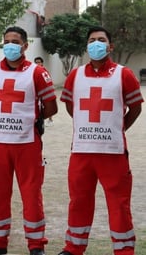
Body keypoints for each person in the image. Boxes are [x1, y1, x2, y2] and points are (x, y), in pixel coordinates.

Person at [57, 26, 143, 255]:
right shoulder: (75, 75)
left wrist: (117, 127)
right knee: (79, 201)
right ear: (87, 46)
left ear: (110, 46)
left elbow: (135, 107)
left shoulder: (123, 74)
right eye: (92, 40)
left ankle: (124, 250)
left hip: (113, 152)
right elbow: (70, 105)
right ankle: (73, 247)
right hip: (82, 151)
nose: (96, 43)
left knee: (119, 205)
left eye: (101, 40)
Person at [0, 26, 58, 255]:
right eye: (6, 41)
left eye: (15, 41)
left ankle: (36, 246)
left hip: (27, 144)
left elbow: (51, 106)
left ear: (25, 46)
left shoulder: (36, 72)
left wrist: (31, 120)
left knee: (31, 195)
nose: (10, 45)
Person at [34, 57, 54, 126]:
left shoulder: (44, 71)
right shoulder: (34, 71)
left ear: (42, 63)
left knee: (47, 105)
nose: (37, 63)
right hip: (37, 92)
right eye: (36, 62)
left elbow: (48, 82)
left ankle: (50, 119)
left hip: (44, 92)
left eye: (39, 62)